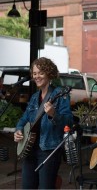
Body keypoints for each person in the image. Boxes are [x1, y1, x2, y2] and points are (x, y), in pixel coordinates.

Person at [14, 57, 73, 189]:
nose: (37, 76)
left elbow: (69, 121)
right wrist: (18, 130)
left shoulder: (60, 94)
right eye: (34, 73)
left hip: (48, 150)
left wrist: (54, 115)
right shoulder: (35, 96)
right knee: (27, 186)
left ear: (49, 73)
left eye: (41, 73)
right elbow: (24, 119)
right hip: (30, 149)